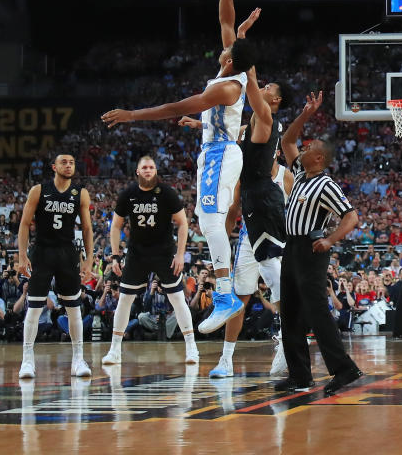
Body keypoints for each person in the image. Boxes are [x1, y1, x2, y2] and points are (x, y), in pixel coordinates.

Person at [101, 0, 259, 335]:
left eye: (231, 46)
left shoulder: (227, 86)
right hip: (217, 149)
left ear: (232, 58)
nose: (225, 43)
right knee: (211, 220)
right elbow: (226, 21)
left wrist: (131, 115)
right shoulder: (229, 68)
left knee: (209, 220)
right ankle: (225, 293)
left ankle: (224, 294)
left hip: (221, 152)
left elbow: (175, 107)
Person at [273, 90, 364, 396]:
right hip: (291, 249)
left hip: (312, 251)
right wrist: (306, 114)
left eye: (309, 147)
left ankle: (345, 369)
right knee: (291, 312)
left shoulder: (326, 184)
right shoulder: (299, 173)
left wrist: (329, 240)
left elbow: (351, 217)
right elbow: (286, 141)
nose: (304, 147)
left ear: (320, 158)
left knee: (316, 313)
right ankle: (300, 375)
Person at [209, 68, 290, 379]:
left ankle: (286, 343)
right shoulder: (248, 144)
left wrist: (250, 68)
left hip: (271, 220)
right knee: (240, 297)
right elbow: (235, 134)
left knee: (278, 283)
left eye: (271, 85)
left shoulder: (282, 172)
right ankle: (226, 360)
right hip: (249, 228)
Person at [100, 154, 199, 367]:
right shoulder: (128, 194)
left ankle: (192, 348)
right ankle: (114, 350)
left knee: (177, 299)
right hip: (137, 253)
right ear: (138, 171)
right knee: (125, 299)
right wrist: (116, 255)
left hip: (164, 253)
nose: (148, 170)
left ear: (155, 171)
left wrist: (180, 254)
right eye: (144, 167)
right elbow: (115, 226)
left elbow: (183, 223)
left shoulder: (167, 193)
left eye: (151, 167)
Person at [15, 152, 94, 378]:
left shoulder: (81, 193)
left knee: (73, 307)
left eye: (71, 162)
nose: (68, 165)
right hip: (41, 251)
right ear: (53, 167)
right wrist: (22, 255)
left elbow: (87, 229)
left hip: (67, 252)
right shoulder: (39, 190)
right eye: (63, 162)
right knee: (34, 306)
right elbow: (24, 224)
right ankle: (27, 360)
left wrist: (89, 259)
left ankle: (78, 360)